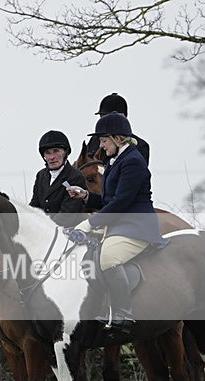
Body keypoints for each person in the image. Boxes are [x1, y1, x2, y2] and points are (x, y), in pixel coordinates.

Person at [67, 112, 164, 334]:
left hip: (137, 226)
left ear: (118, 139)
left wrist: (89, 224)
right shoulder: (114, 161)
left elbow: (120, 203)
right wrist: (85, 196)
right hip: (121, 224)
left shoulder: (133, 162)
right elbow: (108, 200)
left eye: (104, 141)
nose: (101, 146)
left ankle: (123, 313)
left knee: (108, 258)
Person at [29, 130, 87, 227]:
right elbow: (35, 205)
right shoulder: (41, 175)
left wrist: (42, 227)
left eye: (56, 151)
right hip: (43, 229)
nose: (52, 157)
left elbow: (67, 215)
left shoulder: (76, 176)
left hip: (66, 232)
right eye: (48, 153)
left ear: (65, 153)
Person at [87, 93, 150, 165]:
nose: (102, 121)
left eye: (106, 117)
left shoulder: (140, 146)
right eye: (101, 116)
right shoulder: (95, 140)